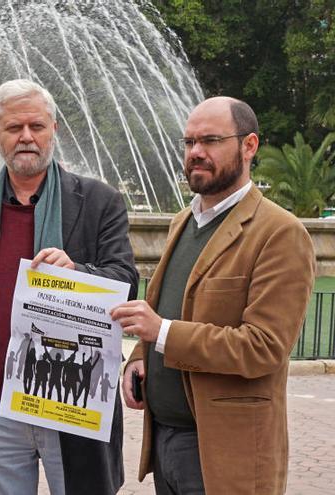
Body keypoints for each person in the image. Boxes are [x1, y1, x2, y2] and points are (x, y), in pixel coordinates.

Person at [0, 79, 138, 495]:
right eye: (14, 128)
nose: (26, 137)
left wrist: (79, 270)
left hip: (70, 399)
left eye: (37, 126)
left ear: (55, 129)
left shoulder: (98, 200)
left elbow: (126, 282)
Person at [112, 96, 315, 494]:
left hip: (226, 454)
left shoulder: (280, 233)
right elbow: (163, 309)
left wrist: (162, 332)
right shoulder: (183, 221)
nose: (195, 153)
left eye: (210, 140)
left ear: (249, 145)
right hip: (167, 444)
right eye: (188, 143)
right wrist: (138, 360)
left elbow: (263, 347)